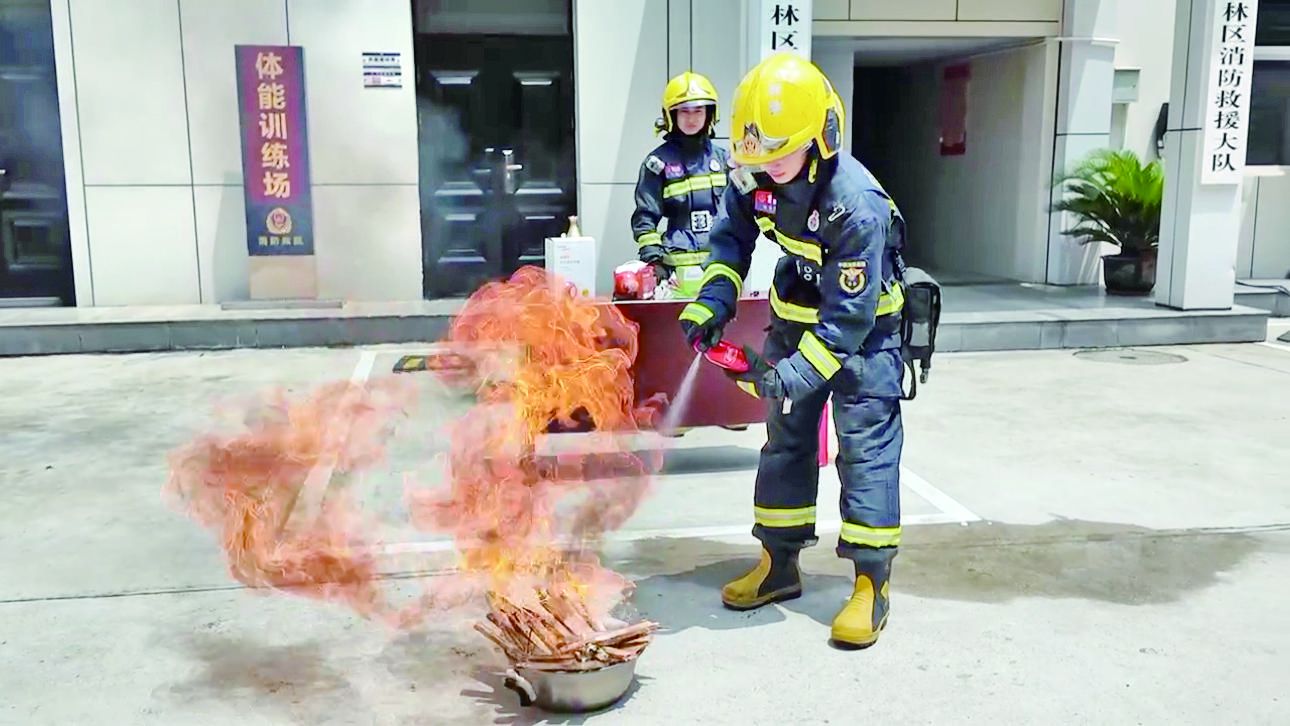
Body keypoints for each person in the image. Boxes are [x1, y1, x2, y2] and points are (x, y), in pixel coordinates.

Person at [678, 53, 909, 649]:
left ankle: (870, 584)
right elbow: (730, 242)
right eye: (756, 158)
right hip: (794, 316)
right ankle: (779, 565)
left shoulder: (855, 204)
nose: (767, 171)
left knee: (866, 453)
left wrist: (790, 375)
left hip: (864, 340)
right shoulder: (756, 172)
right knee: (785, 444)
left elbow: (847, 321)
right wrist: (712, 302)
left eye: (780, 155)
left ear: (821, 137)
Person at [631, 71, 731, 298]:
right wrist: (654, 261)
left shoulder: (725, 161)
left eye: (698, 110)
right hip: (674, 275)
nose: (692, 118)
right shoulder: (657, 163)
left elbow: (739, 216)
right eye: (684, 111)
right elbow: (645, 218)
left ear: (710, 114)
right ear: (670, 115)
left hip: (719, 269)